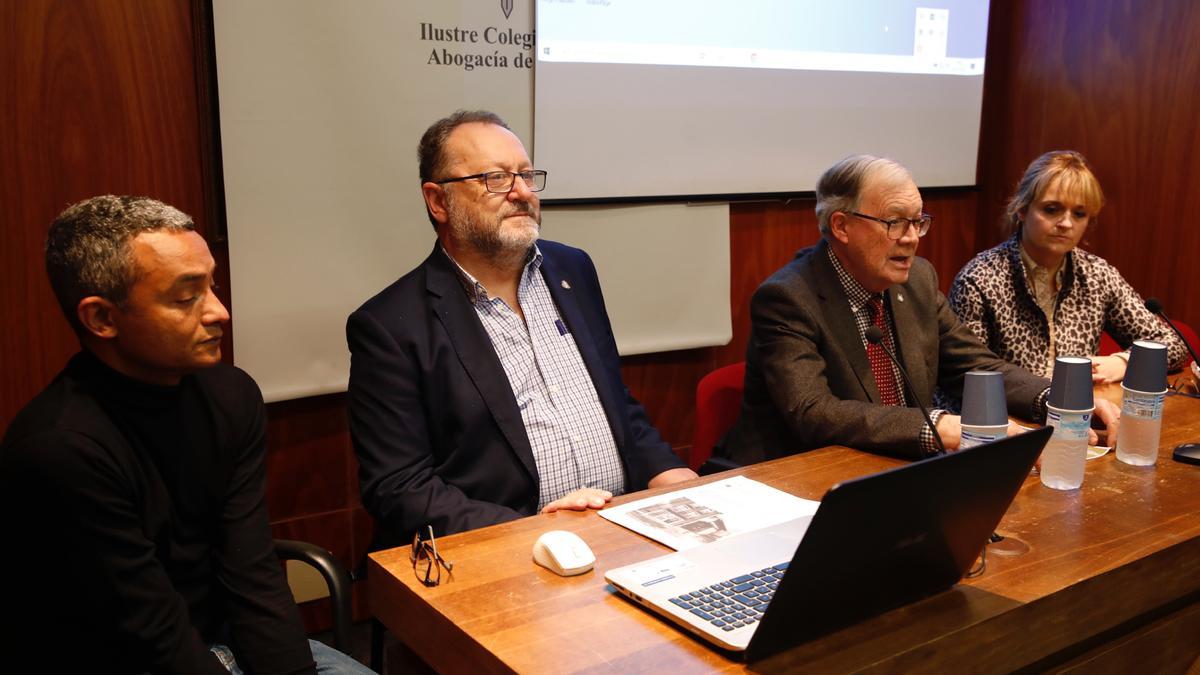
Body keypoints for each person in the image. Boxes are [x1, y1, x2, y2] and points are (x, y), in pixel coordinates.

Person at [0, 196, 370, 674]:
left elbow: (252, 572)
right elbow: (148, 633)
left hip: (226, 641)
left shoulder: (230, 396)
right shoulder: (60, 449)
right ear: (102, 319)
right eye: (185, 297)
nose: (219, 312)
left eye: (212, 286)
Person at [347, 110, 696, 546]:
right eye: (496, 178)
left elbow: (615, 405)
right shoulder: (390, 326)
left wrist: (667, 470)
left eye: (527, 176)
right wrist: (532, 531)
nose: (522, 193)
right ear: (438, 201)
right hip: (509, 554)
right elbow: (400, 487)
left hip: (621, 530)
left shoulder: (574, 268)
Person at [720, 155, 1121, 465]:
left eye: (918, 222)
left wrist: (1057, 399)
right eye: (896, 222)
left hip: (893, 470)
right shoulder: (789, 298)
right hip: (790, 482)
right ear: (841, 226)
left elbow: (975, 366)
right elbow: (814, 412)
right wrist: (940, 426)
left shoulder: (917, 281)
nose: (912, 239)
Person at [948, 150, 1188, 382]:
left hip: (1080, 416)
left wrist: (1125, 362)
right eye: (1052, 210)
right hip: (1008, 416)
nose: (1065, 223)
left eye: (1079, 214)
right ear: (1022, 209)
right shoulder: (979, 279)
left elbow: (1173, 344)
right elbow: (968, 373)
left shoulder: (1097, 275)